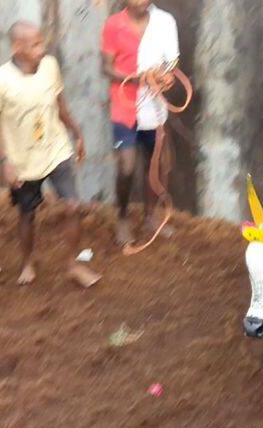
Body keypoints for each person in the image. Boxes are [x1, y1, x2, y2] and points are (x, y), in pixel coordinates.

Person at [0, 21, 101, 288]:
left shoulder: (50, 66)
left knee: (72, 205)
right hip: (22, 161)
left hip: (56, 149)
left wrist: (77, 131)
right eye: (35, 44)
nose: (42, 48)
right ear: (17, 47)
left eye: (42, 42)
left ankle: (73, 265)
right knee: (27, 213)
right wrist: (5, 162)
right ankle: (27, 262)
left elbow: (60, 104)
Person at [101, 0, 179, 246]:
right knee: (126, 166)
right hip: (124, 106)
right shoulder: (113, 25)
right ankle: (122, 217)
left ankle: (149, 216)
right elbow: (105, 68)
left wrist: (166, 77)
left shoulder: (164, 22)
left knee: (154, 163)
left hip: (154, 105)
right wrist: (139, 78)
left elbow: (171, 63)